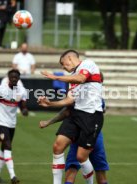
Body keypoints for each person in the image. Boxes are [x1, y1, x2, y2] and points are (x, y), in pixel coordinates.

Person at [38, 49, 103, 184]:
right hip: (76, 114)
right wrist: (50, 103)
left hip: (91, 116)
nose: (63, 67)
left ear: (69, 58)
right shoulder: (71, 79)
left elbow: (81, 78)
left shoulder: (88, 64)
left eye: (63, 63)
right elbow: (69, 100)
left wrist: (55, 77)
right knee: (57, 146)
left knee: (81, 157)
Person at [39, 106, 109, 184]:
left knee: (71, 170)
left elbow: (67, 110)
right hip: (95, 133)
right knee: (100, 171)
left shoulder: (77, 97)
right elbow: (103, 109)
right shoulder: (96, 97)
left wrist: (50, 105)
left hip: (80, 134)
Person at [0, 69, 28, 184]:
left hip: (12, 123)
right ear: (8, 78)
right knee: (7, 145)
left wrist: (24, 111)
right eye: (11, 77)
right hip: (0, 122)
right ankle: (13, 176)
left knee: (4, 149)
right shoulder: (0, 90)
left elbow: (23, 106)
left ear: (18, 79)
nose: (14, 79)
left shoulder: (22, 91)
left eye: (16, 77)